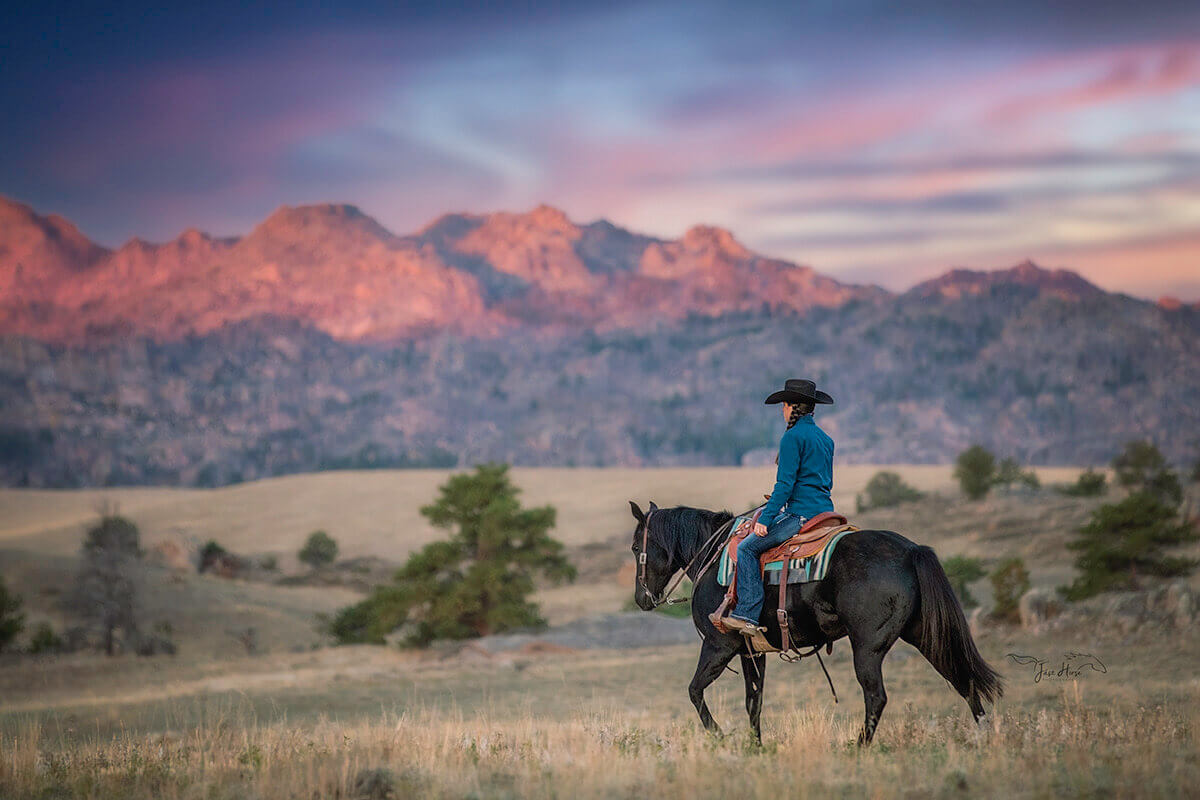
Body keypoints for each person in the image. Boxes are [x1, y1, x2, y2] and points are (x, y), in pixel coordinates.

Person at [713, 378, 835, 635]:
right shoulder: (825, 439)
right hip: (826, 513)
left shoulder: (792, 437)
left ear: (793, 407)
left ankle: (747, 614)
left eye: (784, 405)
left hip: (800, 515)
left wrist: (765, 519)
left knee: (746, 548)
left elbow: (785, 486)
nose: (782, 410)